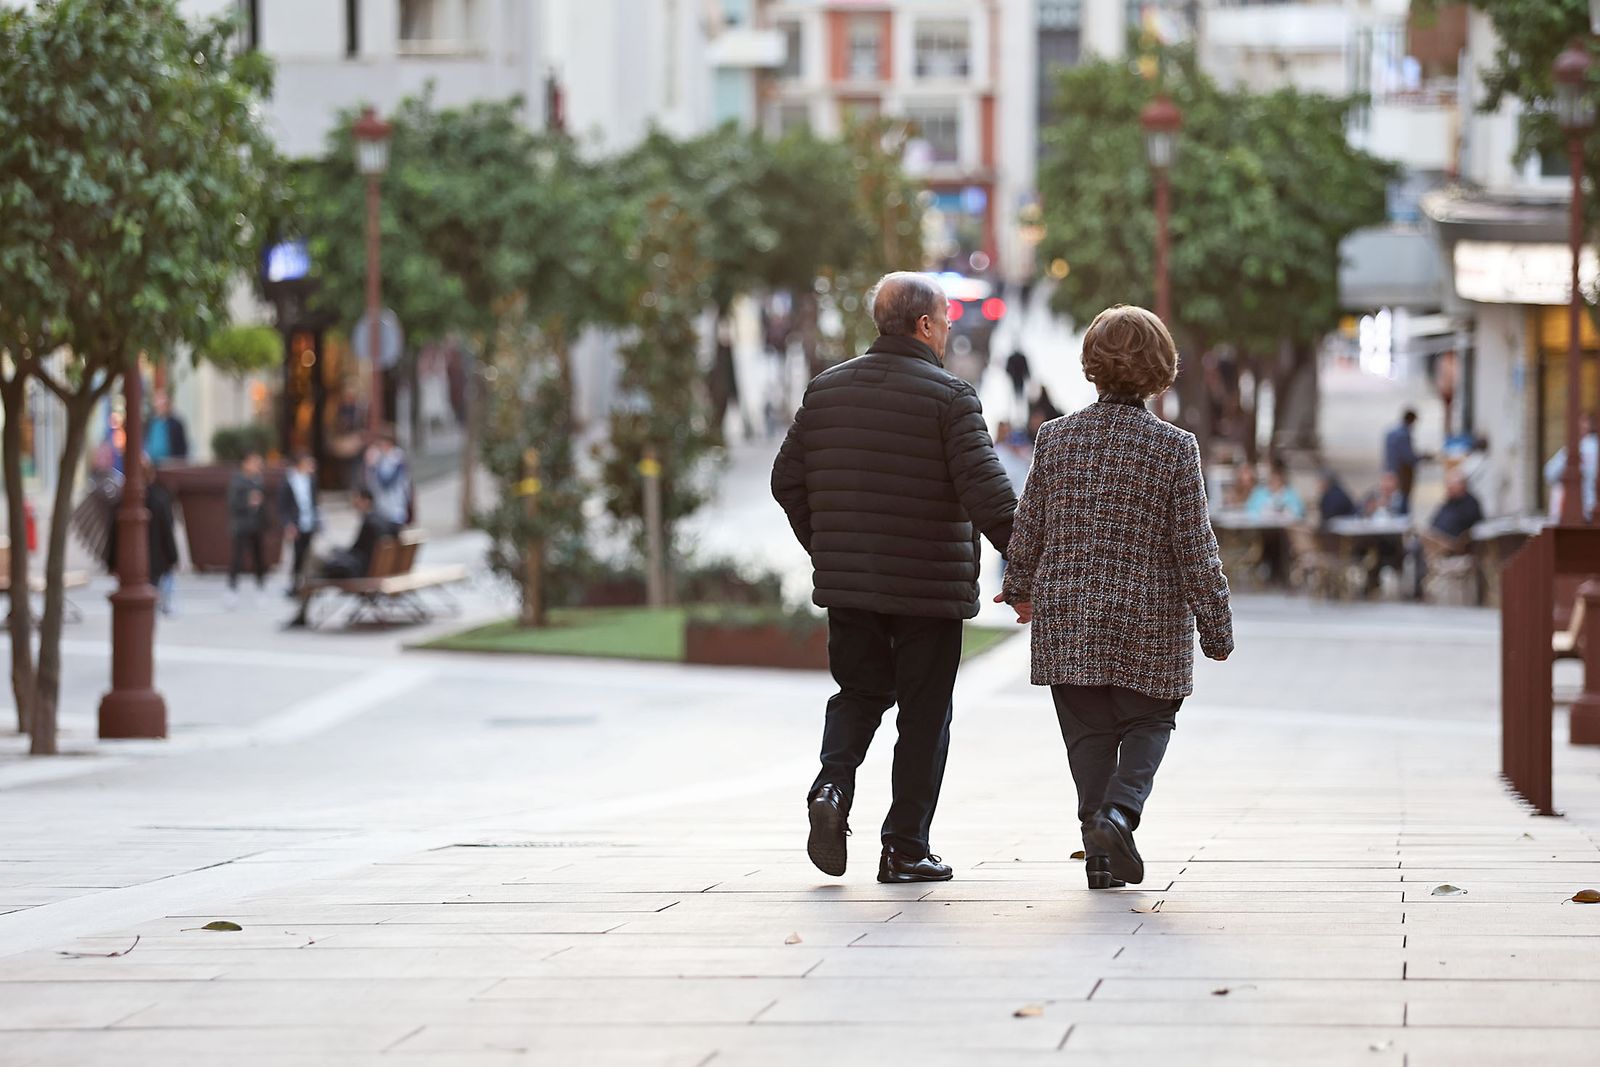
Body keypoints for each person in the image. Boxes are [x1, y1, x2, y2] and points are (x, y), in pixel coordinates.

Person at [772, 271, 1017, 885]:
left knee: (857, 693)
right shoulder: (951, 398)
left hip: (851, 590)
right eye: (947, 319)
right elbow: (991, 499)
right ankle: (904, 847)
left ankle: (831, 788)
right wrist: (1032, 570)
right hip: (928, 594)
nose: (952, 328)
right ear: (925, 325)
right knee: (924, 715)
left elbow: (786, 480)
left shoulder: (825, 391)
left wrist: (830, 548)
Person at [997, 305, 1233, 890]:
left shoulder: (1054, 439)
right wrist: (1215, 624)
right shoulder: (1174, 448)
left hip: (1069, 621)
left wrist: (1020, 586)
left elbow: (1029, 528)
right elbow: (1194, 547)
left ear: (1090, 367)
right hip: (1148, 624)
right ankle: (1120, 815)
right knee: (1151, 719)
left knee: (1088, 737)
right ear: (1162, 370)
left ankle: (1099, 852)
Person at [283, 489, 399, 628]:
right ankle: (301, 603)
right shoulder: (382, 519)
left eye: (356, 499)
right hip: (369, 568)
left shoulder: (370, 523)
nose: (354, 503)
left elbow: (357, 552)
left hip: (359, 573)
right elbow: (396, 530)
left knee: (312, 562)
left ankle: (301, 610)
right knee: (321, 558)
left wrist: (339, 554)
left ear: (366, 501)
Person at [102, 456, 180, 616]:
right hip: (155, 561)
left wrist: (110, 562)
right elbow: (167, 530)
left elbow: (113, 535)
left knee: (138, 604)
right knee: (149, 599)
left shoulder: (122, 500)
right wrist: (172, 558)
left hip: (129, 560)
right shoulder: (159, 498)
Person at [1410, 471, 1485, 600]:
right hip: (1436, 540)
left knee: (1419, 547)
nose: (1449, 489)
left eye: (1452, 486)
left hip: (1452, 544)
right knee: (1415, 545)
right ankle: (1419, 589)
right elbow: (1434, 521)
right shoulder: (1448, 502)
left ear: (1462, 486)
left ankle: (1420, 590)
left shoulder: (1470, 504)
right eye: (1448, 486)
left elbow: (1472, 527)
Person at [226, 451, 269, 600]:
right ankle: (232, 588)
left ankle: (260, 586)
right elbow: (232, 503)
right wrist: (248, 501)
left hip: (257, 525)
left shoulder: (259, 480)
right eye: (255, 463)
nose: (258, 466)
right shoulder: (237, 481)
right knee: (237, 558)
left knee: (259, 557)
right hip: (241, 525)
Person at [278, 452, 320, 595]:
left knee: (308, 555)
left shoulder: (312, 480)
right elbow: (283, 506)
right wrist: (288, 524)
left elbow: (314, 502)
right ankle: (294, 584)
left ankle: (306, 583)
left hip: (309, 522)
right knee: (297, 554)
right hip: (296, 524)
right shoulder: (288, 481)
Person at [1544, 412, 1598, 521]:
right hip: (1587, 511)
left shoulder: (1585, 446)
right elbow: (1549, 472)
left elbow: (1549, 473)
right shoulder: (1574, 448)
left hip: (1581, 512)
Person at [363, 430, 411, 527]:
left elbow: (386, 482)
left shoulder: (397, 458)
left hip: (395, 505)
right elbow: (369, 484)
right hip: (381, 505)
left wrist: (375, 466)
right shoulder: (381, 458)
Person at [1383, 409, 1422, 513]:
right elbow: (1408, 456)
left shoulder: (1391, 432)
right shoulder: (1403, 434)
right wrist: (1422, 457)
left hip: (1390, 469)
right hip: (1402, 472)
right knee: (1402, 500)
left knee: (1392, 498)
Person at [145, 390, 189, 466]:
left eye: (163, 403)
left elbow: (182, 448)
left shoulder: (176, 424)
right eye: (158, 402)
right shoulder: (150, 422)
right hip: (152, 466)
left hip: (170, 466)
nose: (161, 405)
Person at [1004, 349, 1032, 422]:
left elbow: (1007, 369)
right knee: (1017, 398)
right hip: (1016, 380)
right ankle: (1016, 416)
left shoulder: (1017, 357)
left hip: (1018, 380)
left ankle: (1019, 416)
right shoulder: (1018, 357)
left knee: (1019, 398)